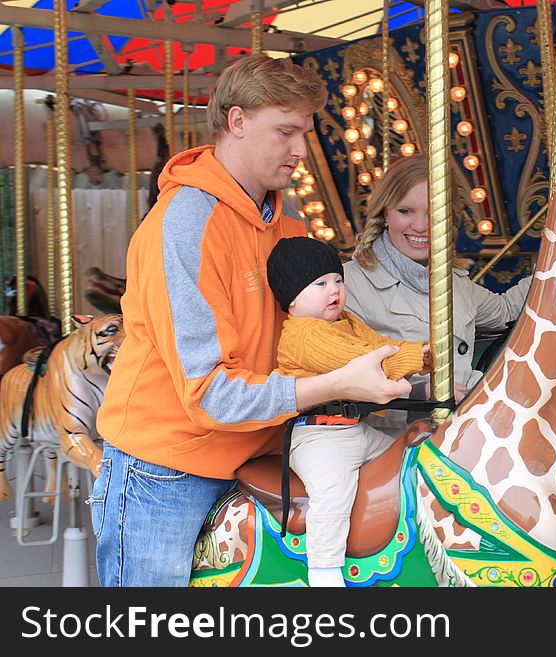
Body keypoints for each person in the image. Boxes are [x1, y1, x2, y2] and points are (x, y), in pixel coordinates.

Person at [91, 53, 412, 587]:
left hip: (264, 453)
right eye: (285, 131)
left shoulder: (286, 224)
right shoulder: (185, 225)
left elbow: (314, 335)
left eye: (304, 133)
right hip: (168, 466)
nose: (299, 151)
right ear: (236, 121)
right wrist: (332, 384)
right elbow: (211, 392)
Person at [267, 236, 431, 586]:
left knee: (406, 459)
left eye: (338, 280)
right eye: (320, 284)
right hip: (318, 437)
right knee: (333, 491)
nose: (334, 290)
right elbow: (364, 363)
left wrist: (421, 351)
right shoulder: (304, 335)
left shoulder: (348, 320)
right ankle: (323, 570)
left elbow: (381, 347)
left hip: (352, 429)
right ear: (292, 297)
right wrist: (418, 357)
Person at [343, 154, 531, 436]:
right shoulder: (350, 285)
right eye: (406, 211)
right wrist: (419, 391)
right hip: (391, 440)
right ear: (385, 214)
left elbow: (505, 311)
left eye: (434, 213)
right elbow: (339, 375)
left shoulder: (453, 283)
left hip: (461, 432)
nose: (420, 226)